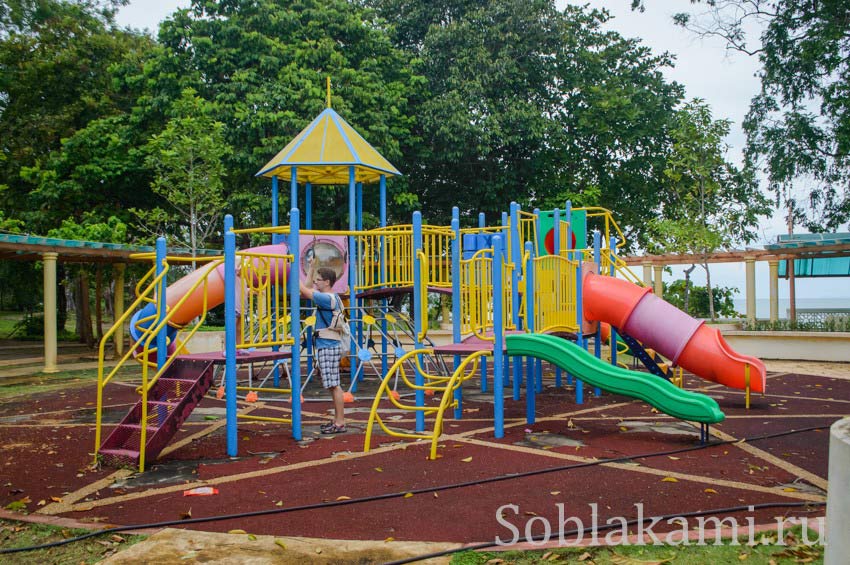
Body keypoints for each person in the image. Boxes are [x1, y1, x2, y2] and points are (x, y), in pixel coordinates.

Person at [299, 265, 346, 434]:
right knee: (332, 385)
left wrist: (290, 271)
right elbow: (306, 288)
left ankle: (340, 422)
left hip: (328, 344)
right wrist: (310, 268)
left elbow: (303, 290)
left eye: (318, 280)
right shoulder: (329, 296)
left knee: (334, 385)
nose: (315, 282)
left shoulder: (327, 298)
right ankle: (337, 420)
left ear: (327, 282)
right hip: (328, 343)